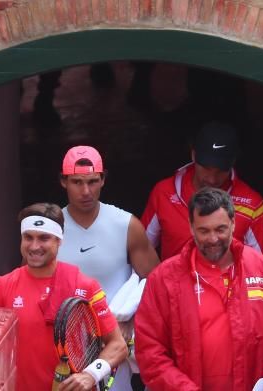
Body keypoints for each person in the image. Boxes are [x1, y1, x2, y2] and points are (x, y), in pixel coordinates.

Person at [0, 203, 128, 391]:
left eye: (43, 238)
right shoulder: (2, 285)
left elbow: (118, 345)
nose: (34, 246)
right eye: (28, 237)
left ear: (59, 240)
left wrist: (91, 374)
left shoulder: (85, 286)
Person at [135, 188, 263, 391]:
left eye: (220, 229)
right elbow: (149, 350)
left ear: (233, 224)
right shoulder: (164, 279)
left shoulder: (262, 270)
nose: (213, 239)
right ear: (192, 228)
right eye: (204, 231)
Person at [57, 145, 160, 391]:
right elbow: (29, 283)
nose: (85, 191)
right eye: (77, 182)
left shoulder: (126, 225)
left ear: (103, 180)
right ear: (63, 182)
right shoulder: (49, 230)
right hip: (60, 350)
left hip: (112, 348)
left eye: (93, 181)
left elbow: (159, 284)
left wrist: (130, 320)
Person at [141, 121, 263, 270]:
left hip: (228, 291)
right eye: (206, 168)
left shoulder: (252, 205)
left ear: (233, 162)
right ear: (193, 155)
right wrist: (159, 284)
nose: (212, 179)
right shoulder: (164, 193)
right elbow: (139, 249)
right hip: (174, 290)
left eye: (221, 170)